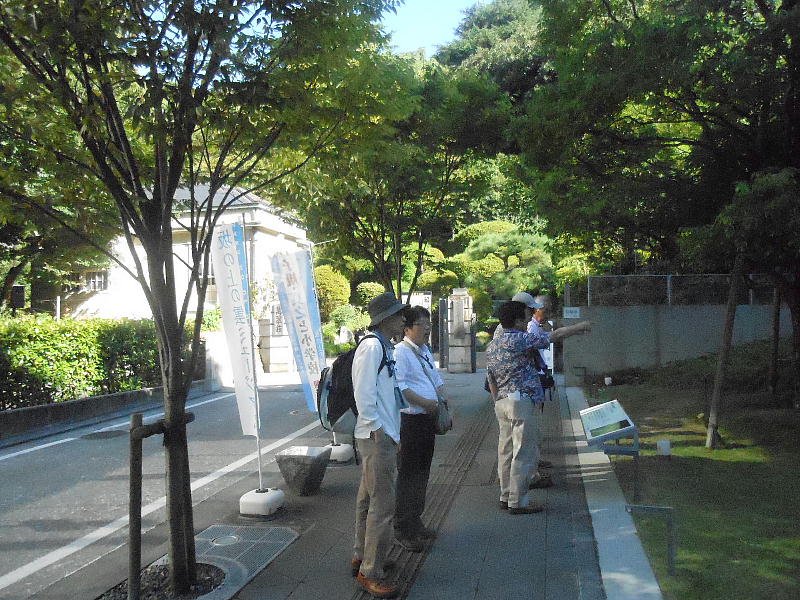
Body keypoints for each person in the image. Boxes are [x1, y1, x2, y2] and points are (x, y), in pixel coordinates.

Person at [486, 301, 590, 514]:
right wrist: (579, 327)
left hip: (502, 402)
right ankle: (518, 502)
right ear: (517, 321)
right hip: (521, 402)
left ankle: (506, 495)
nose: (528, 321)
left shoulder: (493, 344)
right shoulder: (520, 338)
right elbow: (553, 336)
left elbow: (491, 378)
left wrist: (497, 400)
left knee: (505, 451)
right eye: (525, 317)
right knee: (523, 452)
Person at [352, 292, 408, 599]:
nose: (403, 320)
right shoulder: (372, 347)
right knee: (382, 506)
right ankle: (371, 571)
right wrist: (378, 429)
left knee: (368, 500)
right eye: (399, 315)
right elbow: (364, 393)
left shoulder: (384, 346)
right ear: (385, 319)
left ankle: (362, 556)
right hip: (377, 436)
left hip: (381, 434)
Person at [393, 306, 449, 552]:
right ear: (407, 329)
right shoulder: (400, 353)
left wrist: (443, 403)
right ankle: (402, 528)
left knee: (422, 472)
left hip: (427, 419)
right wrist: (426, 403)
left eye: (429, 325)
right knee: (408, 474)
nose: (427, 329)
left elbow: (436, 380)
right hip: (411, 421)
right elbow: (400, 387)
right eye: (422, 325)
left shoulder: (424, 351)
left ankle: (415, 521)